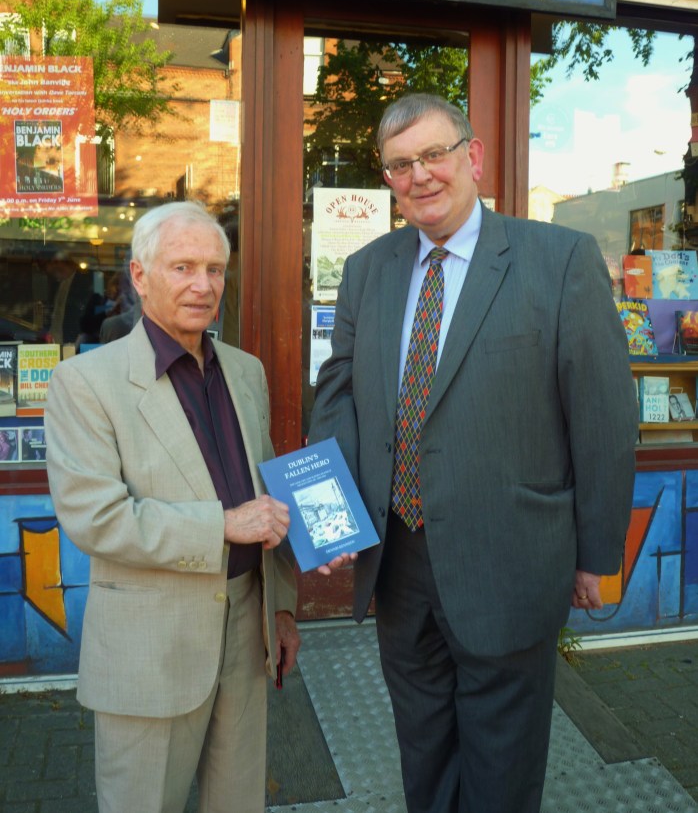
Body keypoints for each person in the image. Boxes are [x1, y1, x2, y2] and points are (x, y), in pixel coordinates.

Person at [309, 93, 639, 813]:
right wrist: (329, 516)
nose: (420, 175)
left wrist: (596, 553)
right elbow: (337, 396)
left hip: (511, 559)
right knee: (423, 753)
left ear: (474, 157)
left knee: (501, 768)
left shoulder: (559, 260)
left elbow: (605, 418)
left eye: (434, 154)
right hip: (398, 561)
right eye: (401, 164)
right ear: (388, 179)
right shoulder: (368, 269)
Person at [45, 201, 300, 813]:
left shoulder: (246, 372)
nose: (203, 285)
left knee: (236, 802)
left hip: (244, 629)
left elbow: (268, 495)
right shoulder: (86, 382)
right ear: (139, 276)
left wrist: (283, 609)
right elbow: (97, 519)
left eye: (215, 269)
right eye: (183, 266)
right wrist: (224, 524)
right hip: (149, 646)